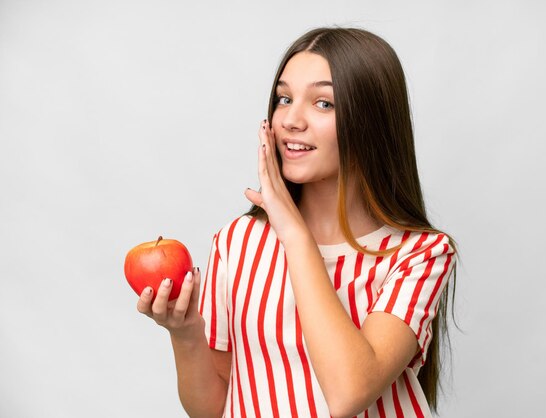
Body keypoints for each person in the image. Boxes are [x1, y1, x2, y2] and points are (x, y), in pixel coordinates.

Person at [137, 27, 457, 418]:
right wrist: (185, 334)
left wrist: (294, 234)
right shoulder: (235, 243)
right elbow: (216, 409)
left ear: (371, 121)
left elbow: (348, 393)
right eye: (284, 98)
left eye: (323, 104)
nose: (290, 119)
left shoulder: (420, 254)